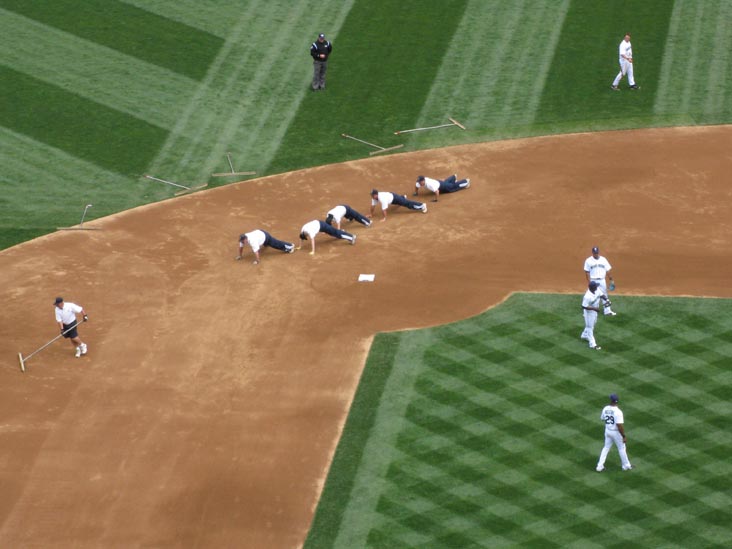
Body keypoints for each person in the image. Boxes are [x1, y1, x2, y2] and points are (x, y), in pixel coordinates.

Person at [596, 393, 633, 472]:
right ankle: (626, 466)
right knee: (622, 448)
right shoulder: (618, 412)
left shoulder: (605, 408)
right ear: (617, 401)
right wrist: (623, 436)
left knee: (606, 448)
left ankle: (599, 466)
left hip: (608, 431)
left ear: (611, 400)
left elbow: (602, 418)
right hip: (616, 432)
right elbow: (619, 425)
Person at [584, 246, 616, 315]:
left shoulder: (603, 260)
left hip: (602, 280)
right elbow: (587, 272)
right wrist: (589, 282)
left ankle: (607, 311)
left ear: (598, 252)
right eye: (594, 253)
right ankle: (589, 311)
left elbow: (608, 270)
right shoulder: (588, 260)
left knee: (604, 295)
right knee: (592, 295)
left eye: (597, 253)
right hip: (593, 281)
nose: (596, 254)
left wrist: (611, 280)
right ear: (592, 253)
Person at [581, 281, 604, 350]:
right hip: (589, 313)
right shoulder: (587, 296)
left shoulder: (597, 290)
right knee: (589, 327)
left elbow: (601, 295)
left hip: (594, 311)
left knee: (592, 324)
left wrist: (607, 300)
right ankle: (593, 344)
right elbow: (584, 306)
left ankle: (584, 335)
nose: (597, 287)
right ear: (592, 288)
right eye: (596, 286)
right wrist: (594, 308)